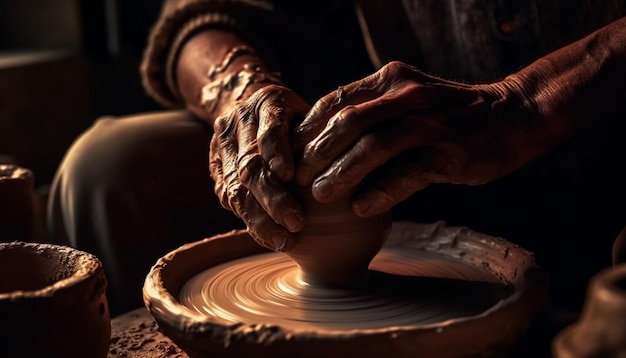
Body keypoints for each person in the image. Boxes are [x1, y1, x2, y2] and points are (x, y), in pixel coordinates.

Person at [47, 0, 626, 317]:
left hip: (610, 167)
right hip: (418, 164)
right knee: (110, 167)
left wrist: (522, 105)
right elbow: (204, 17)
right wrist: (243, 95)